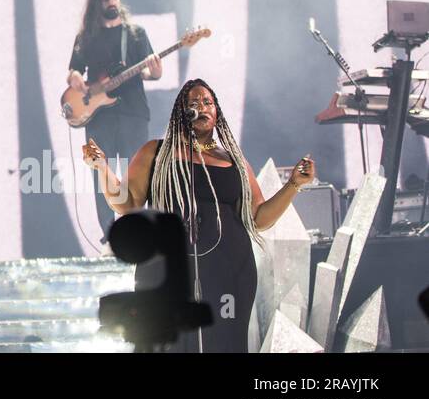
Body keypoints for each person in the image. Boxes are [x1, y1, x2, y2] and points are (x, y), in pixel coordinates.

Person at [83, 78, 315, 352]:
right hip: (167, 270)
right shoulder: (155, 153)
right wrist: (102, 168)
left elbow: (259, 218)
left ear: (216, 111)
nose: (202, 107)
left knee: (225, 342)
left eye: (207, 102)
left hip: (230, 270)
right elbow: (126, 204)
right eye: (193, 104)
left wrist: (294, 185)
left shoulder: (234, 160)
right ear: (180, 113)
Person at [66, 0, 162, 243]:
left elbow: (150, 73)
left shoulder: (135, 34)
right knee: (101, 173)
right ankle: (110, 236)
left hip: (132, 113)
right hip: (98, 116)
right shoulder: (86, 37)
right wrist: (74, 77)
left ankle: (138, 232)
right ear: (97, 3)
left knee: (137, 174)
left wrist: (154, 72)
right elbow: (74, 69)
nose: (111, 2)